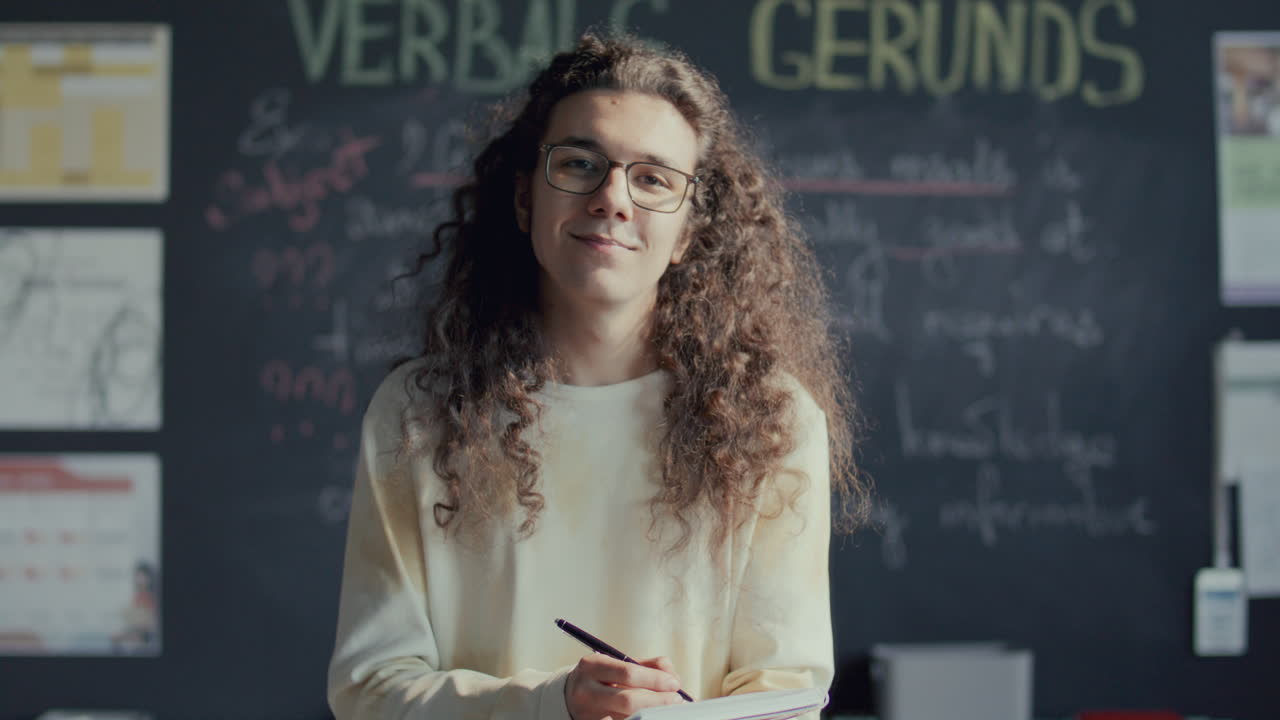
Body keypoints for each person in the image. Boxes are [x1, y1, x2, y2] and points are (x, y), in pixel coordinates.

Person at [327, 31, 871, 720]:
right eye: (580, 163)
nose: (612, 197)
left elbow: (786, 692)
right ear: (525, 201)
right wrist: (550, 704)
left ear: (688, 234)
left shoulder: (772, 423)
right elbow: (369, 688)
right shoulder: (419, 414)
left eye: (652, 178)